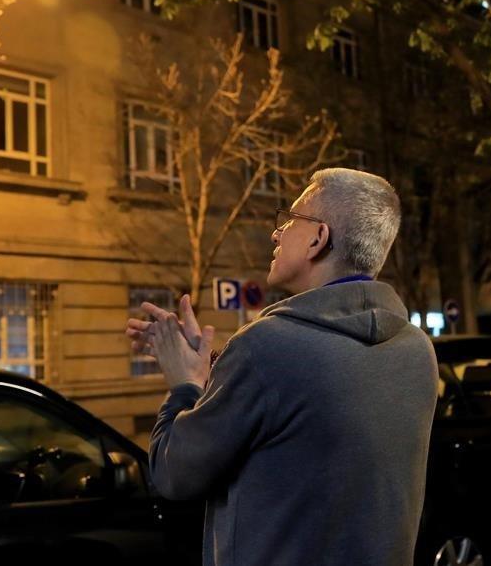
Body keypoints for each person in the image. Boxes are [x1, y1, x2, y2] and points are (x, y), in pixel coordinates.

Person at [126, 168, 438, 566]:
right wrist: (215, 379)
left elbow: (174, 473)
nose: (277, 232)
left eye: (291, 218)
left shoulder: (264, 349)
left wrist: (185, 385)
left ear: (317, 238)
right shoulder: (417, 351)